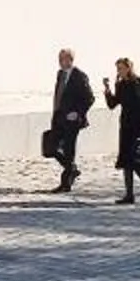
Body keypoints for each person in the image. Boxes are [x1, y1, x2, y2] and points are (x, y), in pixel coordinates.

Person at [105, 57, 140, 203]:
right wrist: (107, 90)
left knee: (132, 159)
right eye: (117, 69)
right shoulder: (121, 85)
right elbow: (112, 104)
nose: (119, 71)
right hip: (126, 126)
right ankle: (130, 194)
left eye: (121, 68)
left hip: (138, 125)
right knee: (125, 160)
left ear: (129, 68)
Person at [47, 48, 94, 193]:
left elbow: (89, 98)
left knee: (68, 150)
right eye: (59, 59)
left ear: (70, 60)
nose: (61, 62)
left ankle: (65, 183)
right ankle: (72, 169)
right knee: (51, 148)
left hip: (72, 120)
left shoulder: (79, 76)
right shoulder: (60, 74)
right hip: (59, 117)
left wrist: (77, 113)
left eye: (63, 59)